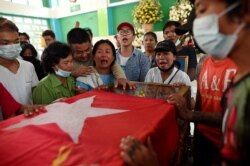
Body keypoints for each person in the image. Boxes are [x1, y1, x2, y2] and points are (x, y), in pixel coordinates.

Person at [121, 0, 250, 165]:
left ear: (245, 8)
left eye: (202, 9)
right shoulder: (207, 64)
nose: (196, 32)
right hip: (203, 138)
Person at [0, 17, 38, 105]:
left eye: (16, 41)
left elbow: (36, 96)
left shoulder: (28, 66)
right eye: (5, 43)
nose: (12, 46)